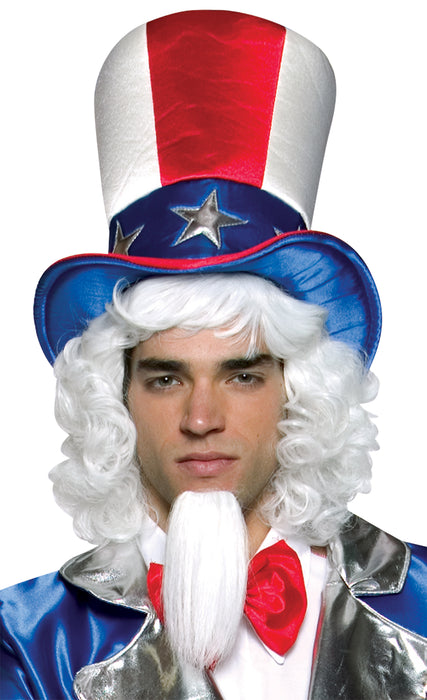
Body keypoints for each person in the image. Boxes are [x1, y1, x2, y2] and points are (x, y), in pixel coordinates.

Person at [1, 10, 426, 699]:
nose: (202, 418)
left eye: (243, 375)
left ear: (299, 391)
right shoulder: (28, 645)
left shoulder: (421, 610)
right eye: (166, 378)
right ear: (116, 399)